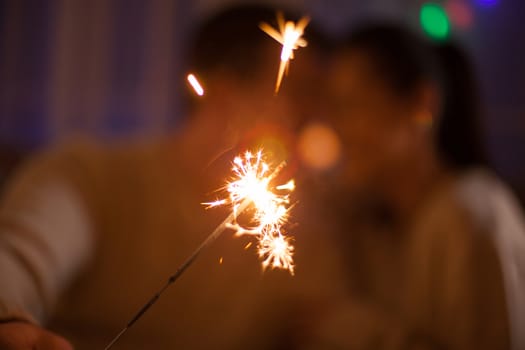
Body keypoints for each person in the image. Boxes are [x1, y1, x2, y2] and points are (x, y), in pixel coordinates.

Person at [0, 5, 315, 349]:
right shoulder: (89, 175)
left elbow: (330, 317)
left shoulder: (308, 224)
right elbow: (18, 255)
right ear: (227, 93)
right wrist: (9, 320)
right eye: (300, 92)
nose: (315, 118)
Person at [305, 23, 525, 349]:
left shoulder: (469, 214)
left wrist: (350, 328)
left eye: (353, 105)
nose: (338, 129)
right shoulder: (380, 222)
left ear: (421, 104)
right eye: (334, 109)